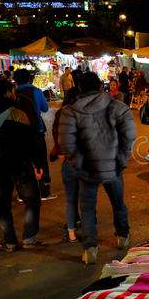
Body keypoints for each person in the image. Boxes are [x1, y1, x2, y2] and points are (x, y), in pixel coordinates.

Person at [59, 72, 136, 265]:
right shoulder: (119, 107)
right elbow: (130, 135)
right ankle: (122, 236)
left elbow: (66, 143)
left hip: (87, 169)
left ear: (80, 88)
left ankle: (90, 248)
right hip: (113, 166)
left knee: (87, 208)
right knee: (118, 203)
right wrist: (121, 159)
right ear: (102, 87)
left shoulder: (70, 111)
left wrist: (79, 162)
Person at [0, 79, 45, 252]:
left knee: (3, 203)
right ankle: (29, 238)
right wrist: (38, 163)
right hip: (20, 163)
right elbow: (31, 141)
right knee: (32, 200)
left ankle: (10, 242)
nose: (15, 94)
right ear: (7, 93)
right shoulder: (18, 114)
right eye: (12, 91)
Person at [14, 69, 52, 199]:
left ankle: (23, 192)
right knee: (41, 158)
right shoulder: (36, 91)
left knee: (22, 160)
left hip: (19, 131)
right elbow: (45, 108)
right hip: (36, 130)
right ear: (29, 79)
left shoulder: (14, 93)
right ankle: (44, 189)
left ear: (15, 81)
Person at [50, 89, 81, 243]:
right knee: (87, 197)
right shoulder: (85, 113)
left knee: (71, 198)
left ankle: (72, 234)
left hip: (68, 160)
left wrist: (60, 152)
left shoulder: (61, 114)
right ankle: (89, 232)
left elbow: (56, 134)